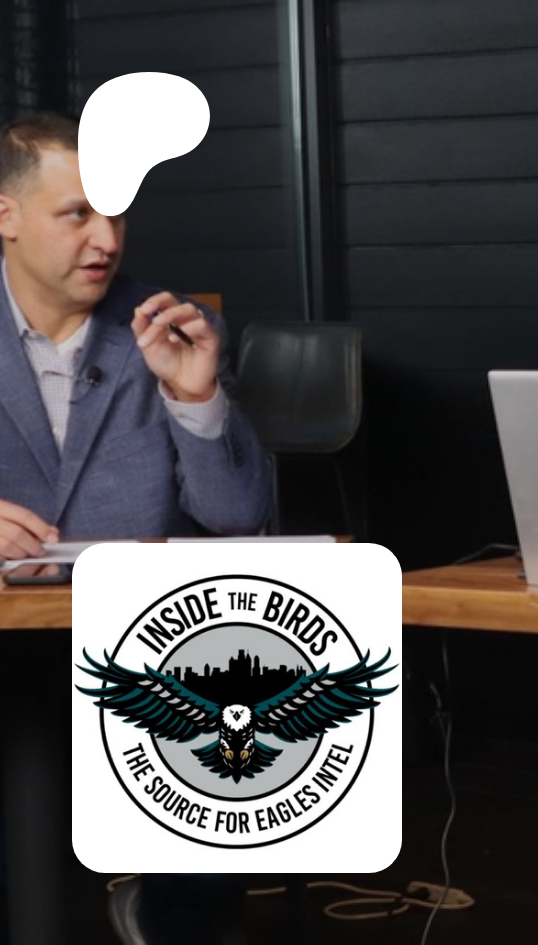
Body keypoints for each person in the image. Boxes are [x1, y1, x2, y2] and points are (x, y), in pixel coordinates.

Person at [0, 111, 270, 945]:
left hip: (140, 641)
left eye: (117, 216)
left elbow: (239, 516)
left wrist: (197, 396)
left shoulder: (167, 326)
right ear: (6, 215)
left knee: (236, 702)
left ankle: (170, 921)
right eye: (78, 214)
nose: (107, 239)